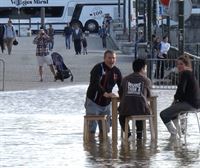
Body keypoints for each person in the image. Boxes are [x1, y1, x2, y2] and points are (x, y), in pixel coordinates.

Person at [160, 55, 200, 138]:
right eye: (177, 64)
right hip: (196, 104)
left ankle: (173, 134)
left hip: (190, 104)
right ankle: (181, 132)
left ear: (186, 65)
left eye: (181, 64)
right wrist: (176, 101)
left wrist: (175, 100)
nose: (179, 66)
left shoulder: (185, 73)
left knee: (163, 114)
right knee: (173, 113)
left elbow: (181, 90)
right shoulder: (191, 73)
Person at [85, 50, 122, 138]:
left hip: (106, 104)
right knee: (91, 130)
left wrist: (122, 96)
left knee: (105, 130)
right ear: (104, 58)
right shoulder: (98, 68)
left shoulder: (116, 71)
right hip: (93, 102)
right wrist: (105, 93)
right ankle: (91, 149)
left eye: (114, 58)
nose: (111, 60)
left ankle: (103, 150)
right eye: (109, 58)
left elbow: (121, 86)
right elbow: (95, 83)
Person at [118, 58, 152, 139]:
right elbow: (149, 95)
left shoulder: (125, 79)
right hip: (141, 110)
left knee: (121, 117)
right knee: (140, 115)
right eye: (145, 69)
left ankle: (128, 134)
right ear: (142, 68)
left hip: (125, 109)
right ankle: (139, 137)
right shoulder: (146, 80)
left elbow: (120, 93)